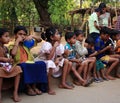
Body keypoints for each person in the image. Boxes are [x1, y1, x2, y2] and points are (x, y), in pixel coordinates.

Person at [10, 26, 47, 96]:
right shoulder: (12, 45)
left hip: (29, 63)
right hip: (19, 65)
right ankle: (28, 87)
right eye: (20, 34)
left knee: (41, 64)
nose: (22, 36)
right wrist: (17, 41)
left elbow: (39, 40)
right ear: (15, 35)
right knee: (25, 66)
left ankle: (34, 86)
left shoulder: (26, 44)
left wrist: (32, 36)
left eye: (24, 34)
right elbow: (13, 53)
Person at [35, 27, 73, 95]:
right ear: (52, 37)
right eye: (57, 34)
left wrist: (60, 57)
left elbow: (60, 56)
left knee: (66, 61)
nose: (59, 35)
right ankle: (49, 88)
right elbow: (49, 58)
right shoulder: (47, 44)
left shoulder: (57, 44)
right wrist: (54, 47)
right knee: (50, 63)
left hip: (52, 62)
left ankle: (63, 83)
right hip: (42, 63)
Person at [0, 28, 22, 103]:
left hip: (6, 67)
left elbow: (9, 57)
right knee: (0, 72)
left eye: (8, 36)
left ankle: (15, 92)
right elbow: (2, 59)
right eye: (6, 36)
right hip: (0, 68)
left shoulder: (5, 48)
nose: (8, 38)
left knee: (18, 68)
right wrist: (2, 59)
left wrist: (9, 60)